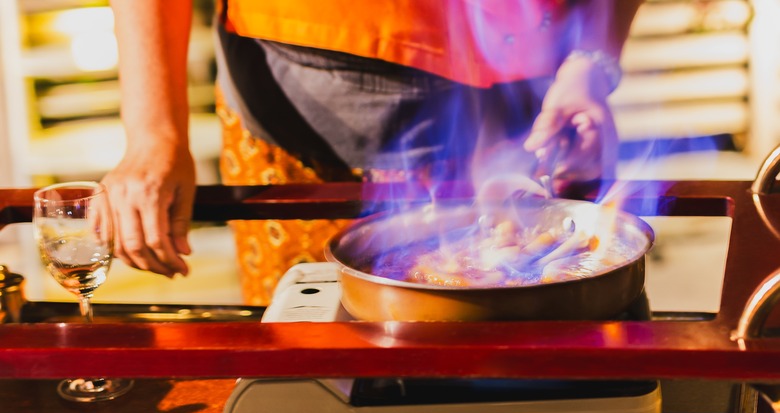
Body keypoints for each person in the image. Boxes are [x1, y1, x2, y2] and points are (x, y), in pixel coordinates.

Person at [104, 0, 644, 305]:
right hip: (302, 120)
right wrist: (153, 132)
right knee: (316, 377)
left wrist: (590, 62)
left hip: (538, 107)